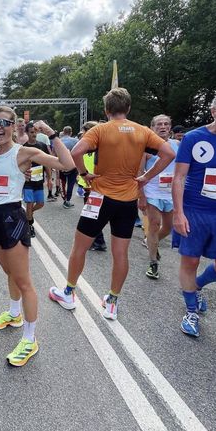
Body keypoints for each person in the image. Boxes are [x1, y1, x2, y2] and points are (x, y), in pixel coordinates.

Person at [48, 88, 175, 320]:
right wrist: (146, 176)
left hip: (100, 197)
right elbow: (168, 153)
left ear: (107, 110)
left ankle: (68, 292)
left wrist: (84, 173)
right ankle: (112, 302)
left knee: (79, 247)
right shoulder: (142, 131)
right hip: (127, 200)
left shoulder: (100, 129)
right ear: (128, 108)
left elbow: (76, 151)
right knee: (120, 253)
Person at [0, 108, 74, 366]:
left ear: (14, 126)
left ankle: (30, 339)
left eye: (4, 123)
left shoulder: (24, 153)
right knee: (10, 274)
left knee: (24, 282)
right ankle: (14, 314)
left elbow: (67, 165)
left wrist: (51, 134)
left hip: (12, 218)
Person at [173, 92, 216, 338]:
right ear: (214, 111)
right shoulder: (194, 138)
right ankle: (191, 311)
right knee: (190, 261)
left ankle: (197, 286)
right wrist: (178, 213)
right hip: (195, 210)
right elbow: (179, 177)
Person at [138, 115, 179, 279]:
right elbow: (139, 172)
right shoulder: (146, 147)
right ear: (152, 127)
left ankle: (151, 242)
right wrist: (141, 196)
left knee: (168, 228)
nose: (163, 127)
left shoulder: (178, 145)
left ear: (170, 127)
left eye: (166, 124)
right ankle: (153, 262)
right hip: (152, 191)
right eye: (159, 124)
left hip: (170, 193)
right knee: (154, 224)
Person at [76, 121, 107, 252]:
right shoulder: (88, 147)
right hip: (87, 185)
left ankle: (99, 242)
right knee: (91, 214)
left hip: (95, 187)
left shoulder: (100, 148)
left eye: (83, 132)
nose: (81, 135)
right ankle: (97, 241)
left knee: (92, 215)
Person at [22, 122, 48, 237]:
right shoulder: (23, 148)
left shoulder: (42, 145)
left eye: (35, 132)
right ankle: (29, 226)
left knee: (41, 204)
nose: (34, 134)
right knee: (29, 203)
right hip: (27, 181)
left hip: (39, 180)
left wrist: (50, 179)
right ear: (27, 133)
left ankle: (27, 215)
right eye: (32, 132)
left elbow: (47, 162)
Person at [59, 126, 79, 209]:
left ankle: (64, 198)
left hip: (60, 164)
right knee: (70, 184)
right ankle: (67, 201)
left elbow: (53, 153)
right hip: (72, 165)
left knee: (63, 183)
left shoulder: (59, 141)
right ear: (71, 132)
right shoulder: (76, 141)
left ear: (63, 132)